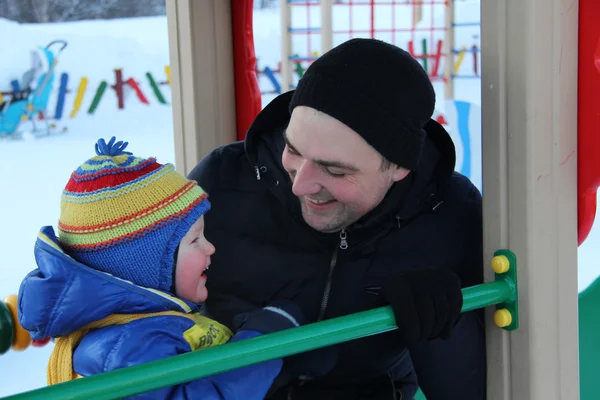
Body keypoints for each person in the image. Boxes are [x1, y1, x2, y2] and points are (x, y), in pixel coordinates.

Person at [188, 38, 485, 399]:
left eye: (335, 170)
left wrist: (443, 328)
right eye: (293, 150)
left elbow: (476, 388)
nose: (300, 185)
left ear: (398, 168)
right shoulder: (222, 180)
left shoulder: (450, 215)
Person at [17, 137, 306, 400]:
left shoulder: (142, 326)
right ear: (142, 267)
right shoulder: (129, 346)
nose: (210, 248)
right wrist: (261, 346)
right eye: (195, 239)